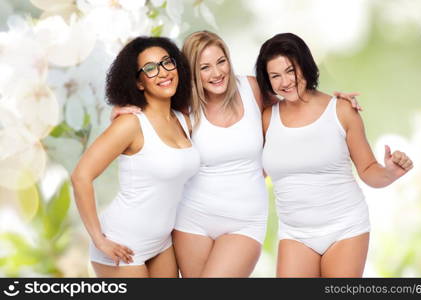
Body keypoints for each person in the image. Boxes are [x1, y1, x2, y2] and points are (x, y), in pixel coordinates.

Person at [111, 30, 361, 278]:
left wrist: (334, 102)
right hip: (192, 219)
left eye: (221, 62)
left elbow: (294, 100)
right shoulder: (184, 105)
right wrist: (122, 110)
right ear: (192, 72)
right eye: (204, 67)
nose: (217, 73)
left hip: (245, 221)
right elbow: (150, 123)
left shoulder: (251, 89)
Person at [256, 33, 413, 277]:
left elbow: (369, 171)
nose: (285, 81)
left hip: (345, 228)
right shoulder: (266, 119)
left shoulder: (341, 110)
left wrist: (391, 172)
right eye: (275, 76)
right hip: (295, 234)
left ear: (305, 66)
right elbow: (253, 174)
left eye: (290, 70)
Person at [71, 36, 200, 278]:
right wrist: (99, 239)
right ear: (139, 83)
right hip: (123, 245)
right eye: (150, 68)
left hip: (162, 243)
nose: (163, 72)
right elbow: (81, 177)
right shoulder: (130, 123)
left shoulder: (183, 119)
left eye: (166, 63)